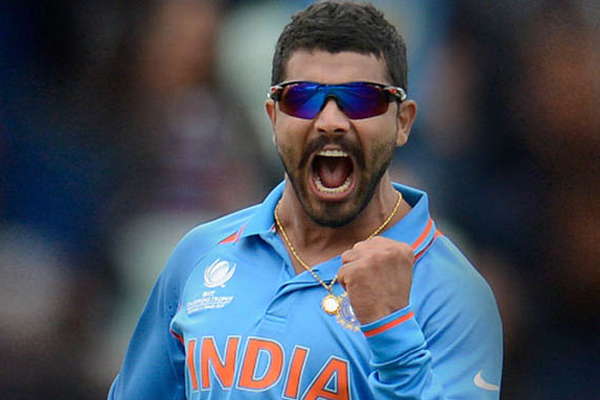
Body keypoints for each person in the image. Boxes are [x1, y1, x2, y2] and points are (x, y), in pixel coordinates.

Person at [107, 2, 503, 399]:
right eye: (303, 98)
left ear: (403, 122)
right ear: (273, 117)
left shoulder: (453, 293)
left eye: (362, 100)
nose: (330, 122)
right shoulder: (200, 254)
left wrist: (392, 331)